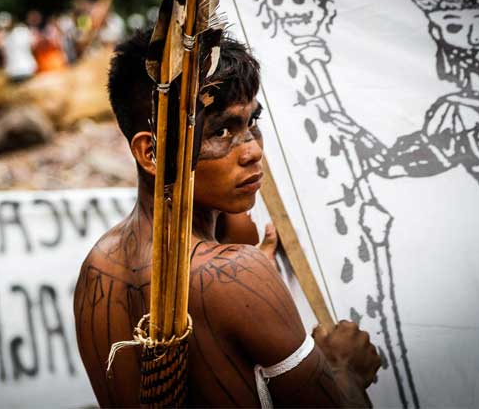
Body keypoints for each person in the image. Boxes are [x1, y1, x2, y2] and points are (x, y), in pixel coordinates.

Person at [74, 30, 381, 407]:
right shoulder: (237, 275)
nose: (252, 150)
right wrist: (342, 367)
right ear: (151, 152)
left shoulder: (96, 268)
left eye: (253, 122)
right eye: (221, 131)